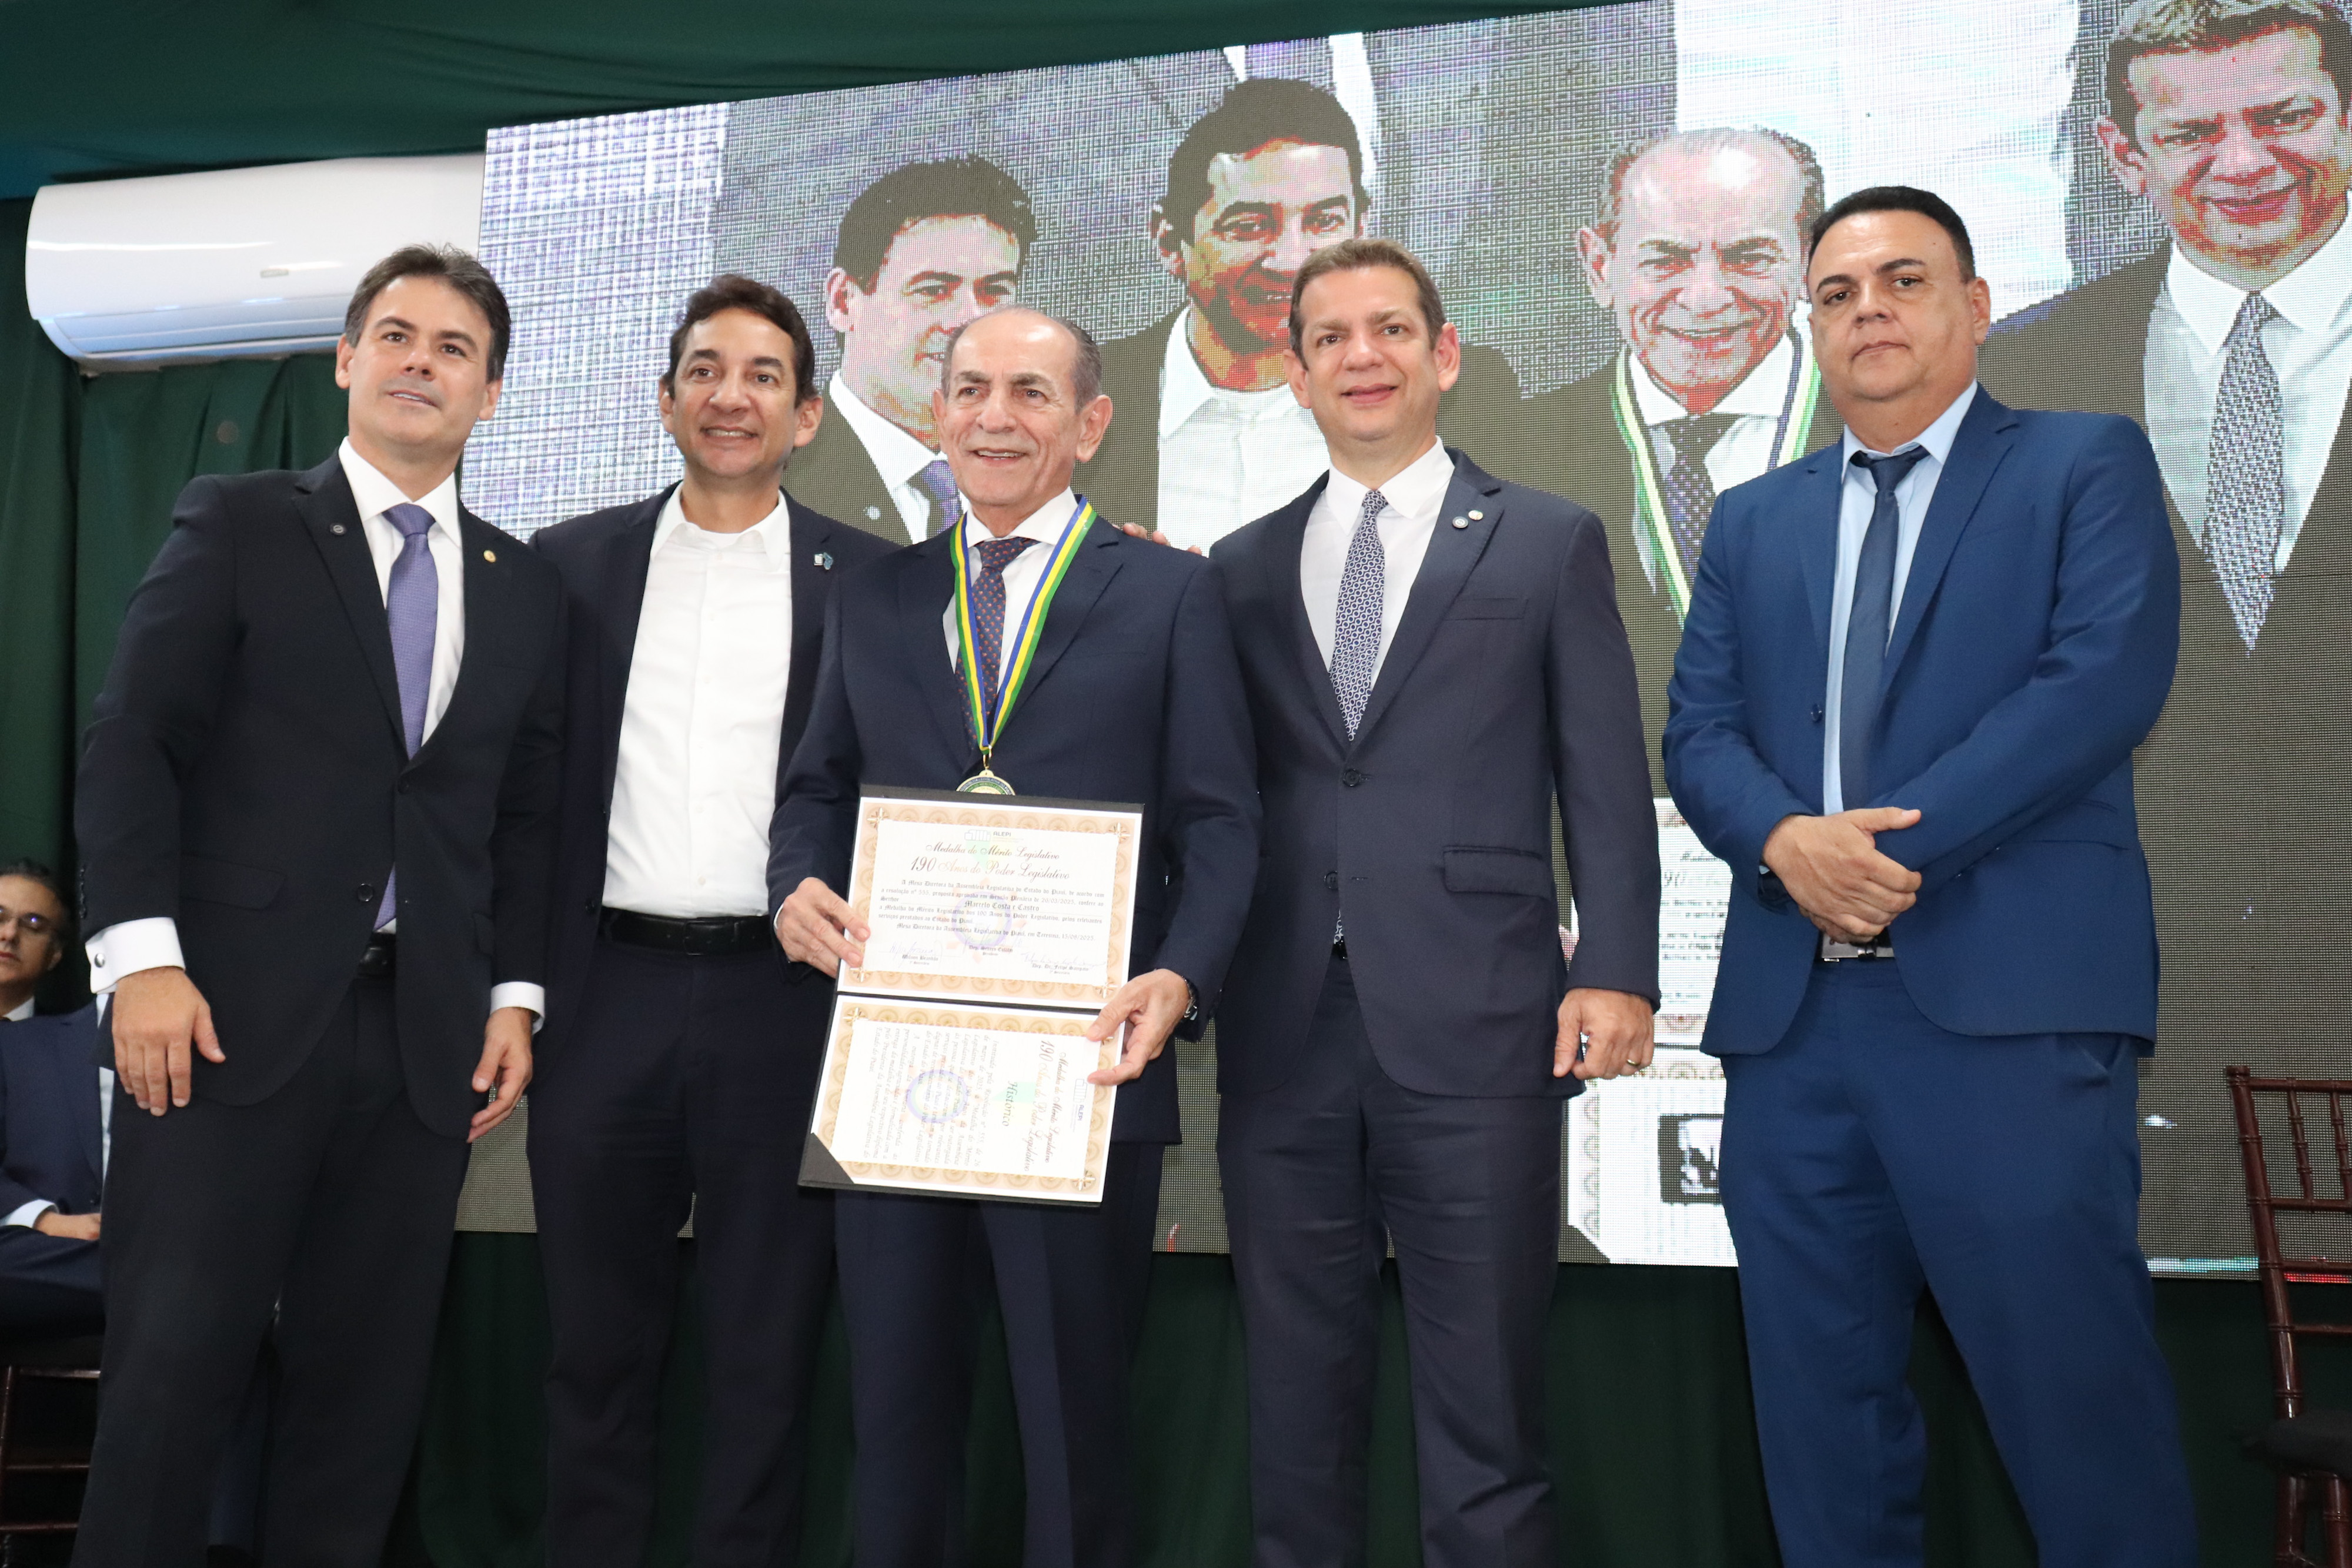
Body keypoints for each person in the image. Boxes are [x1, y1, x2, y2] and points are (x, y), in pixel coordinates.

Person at [1663, 186, 2196, 1566]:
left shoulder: (2083, 462)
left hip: (2008, 1018)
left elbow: (2095, 686)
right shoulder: (1750, 519)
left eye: (1903, 280)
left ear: (1973, 305)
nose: (1868, 312)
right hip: (1793, 1033)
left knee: (2075, 1410)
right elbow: (1698, 734)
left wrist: (1872, 855)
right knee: (1819, 1426)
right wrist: (1785, 843)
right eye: (1836, 293)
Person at [72, 244, 564, 1566]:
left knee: (362, 1403)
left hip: (422, 1046)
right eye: (395, 335)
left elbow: (524, 812)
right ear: (346, 361)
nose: (420, 363)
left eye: (454, 348)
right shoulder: (238, 521)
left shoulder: (524, 584)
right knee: (171, 1384)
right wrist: (141, 961)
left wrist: (515, 992)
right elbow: (133, 743)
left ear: (491, 394)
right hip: (219, 1024)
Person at [770, 306, 1258, 1568]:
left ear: (1091, 424)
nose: (995, 416)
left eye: (1031, 393)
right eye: (971, 389)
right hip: (897, 1077)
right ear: (937, 415)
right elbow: (817, 785)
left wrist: (1182, 970)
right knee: (894, 1418)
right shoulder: (874, 592)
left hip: (1081, 1072)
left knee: (1071, 1422)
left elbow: (1220, 817)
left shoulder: (1172, 590)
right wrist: (793, 883)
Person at [1208, 236, 1660, 1567]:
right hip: (1283, 1033)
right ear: (1295, 373)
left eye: (1391, 330)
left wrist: (1617, 966)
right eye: (1331, 337)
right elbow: (1218, 799)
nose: (1363, 356)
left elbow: (1603, 779)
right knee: (1293, 1415)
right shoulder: (1237, 567)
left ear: (1443, 354)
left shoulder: (1546, 539)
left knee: (1485, 1419)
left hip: (1482, 1025)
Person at [1977, 0, 2352, 1258]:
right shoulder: (2021, 378)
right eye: (2190, 133)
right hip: (2126, 1033)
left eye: (2284, 115)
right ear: (2124, 155)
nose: (2242, 162)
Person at [529, 276, 892, 1568]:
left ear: (806, 414)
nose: (730, 397)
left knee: (765, 1350)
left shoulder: (877, 580)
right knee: (592, 1348)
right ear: (666, 397)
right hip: (602, 998)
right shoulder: (566, 565)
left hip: (785, 1007)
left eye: (762, 376)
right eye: (705, 371)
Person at [1508, 127, 1843, 783]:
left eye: (1748, 257)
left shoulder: (1897, 435)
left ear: (1809, 263)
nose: (1705, 297)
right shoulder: (1510, 457)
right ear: (1599, 267)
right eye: (1664, 259)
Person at [1078, 78, 1525, 549]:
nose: (1291, 260)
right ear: (1170, 241)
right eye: (1249, 226)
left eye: (1323, 222)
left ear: (1361, 229)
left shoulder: (1467, 396)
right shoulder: (1079, 397)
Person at [782, 156, 1034, 542]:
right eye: (934, 289)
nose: (970, 322)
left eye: (994, 291)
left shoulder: (1060, 483)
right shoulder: (767, 484)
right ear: (844, 302)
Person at [0, 861, 103, 1335]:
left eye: (33, 923)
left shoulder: (79, 1046)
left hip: (47, 1258)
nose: (9, 934)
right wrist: (39, 1217)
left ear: (57, 954)